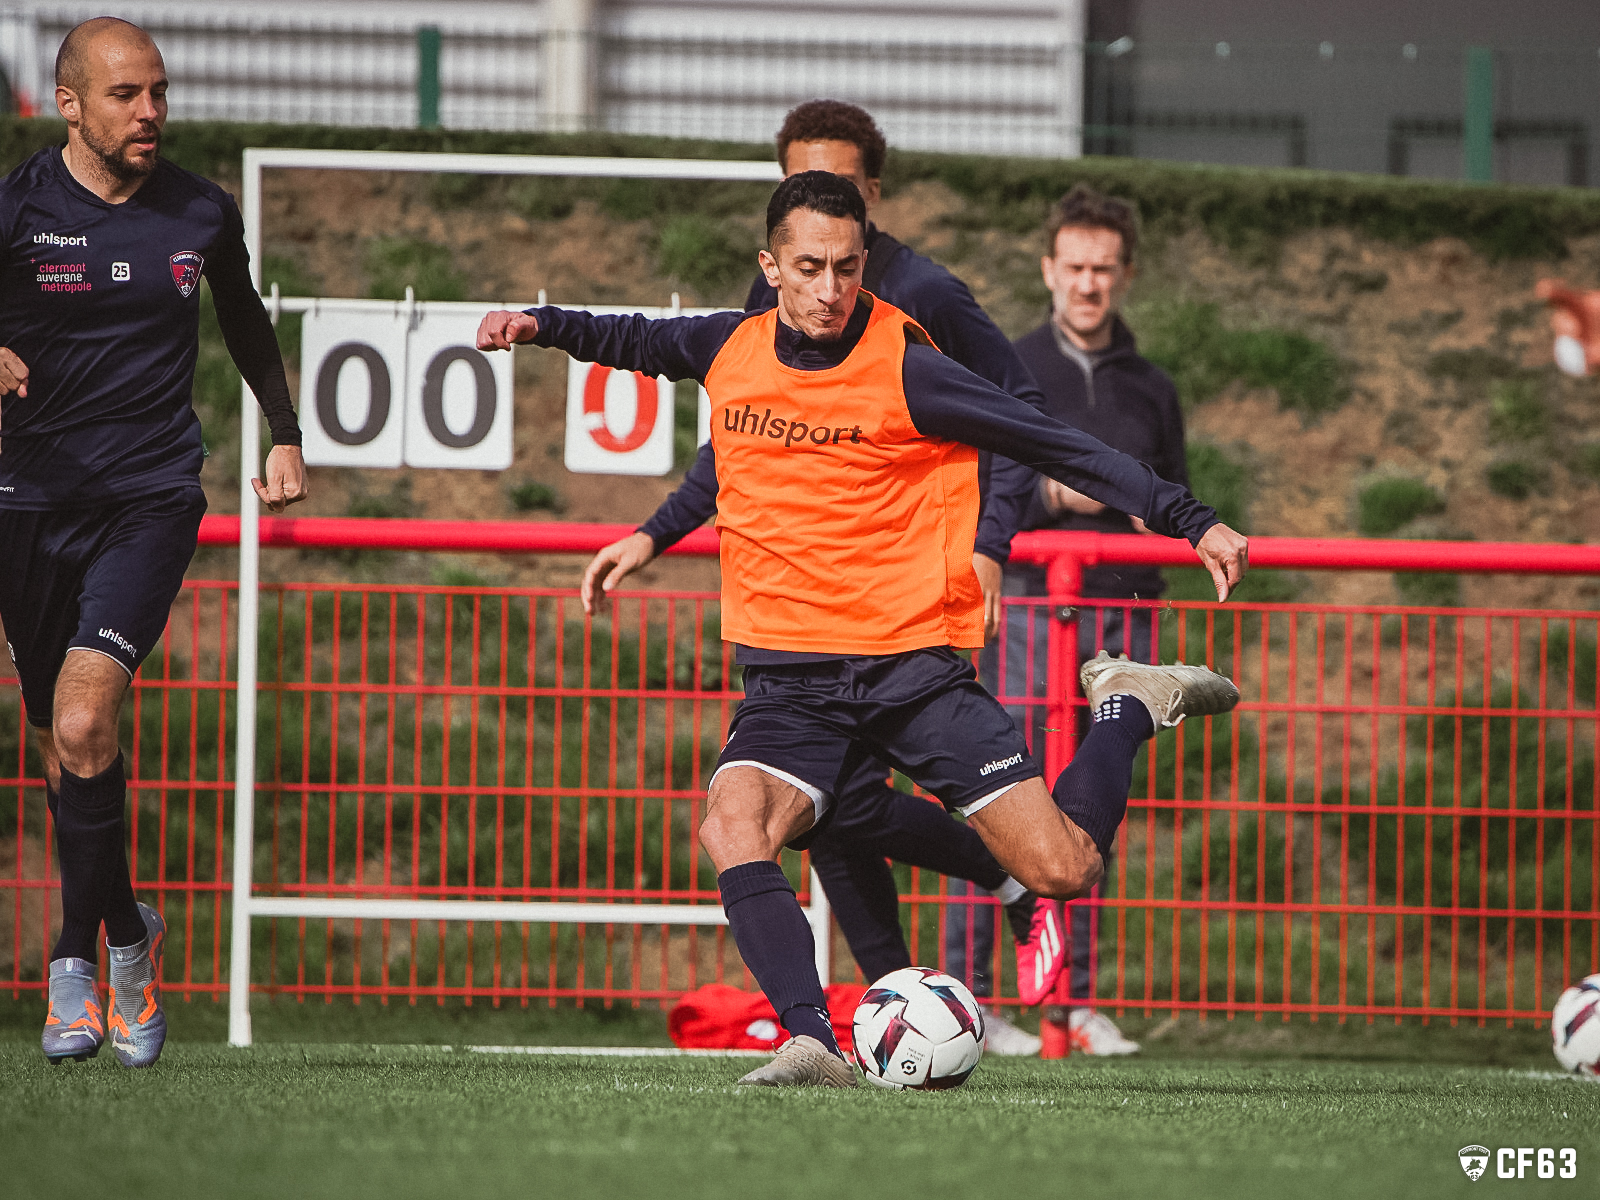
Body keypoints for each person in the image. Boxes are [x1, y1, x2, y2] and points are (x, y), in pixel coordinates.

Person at [477, 170, 1249, 1086]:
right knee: (734, 825)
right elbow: (634, 337)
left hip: (911, 671)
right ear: (771, 268)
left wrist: (1187, 517)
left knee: (1064, 870)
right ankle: (812, 1040)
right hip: (791, 683)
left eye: (847, 268)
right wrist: (540, 324)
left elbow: (1052, 443)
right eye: (809, 268)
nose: (831, 289)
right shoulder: (728, 346)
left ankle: (1126, 703)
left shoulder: (909, 366)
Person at [581, 101, 1066, 1055]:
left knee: (844, 812)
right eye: (801, 184)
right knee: (834, 818)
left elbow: (1020, 412)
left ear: (872, 195)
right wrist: (655, 532)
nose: (823, 213)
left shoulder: (926, 296)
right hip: (812, 613)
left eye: (842, 185)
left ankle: (965, 934)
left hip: (908, 594)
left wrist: (990, 543)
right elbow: (750, 445)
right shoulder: (780, 296)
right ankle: (906, 1008)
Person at [0, 18, 306, 1068]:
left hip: (151, 497)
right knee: (64, 745)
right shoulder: (17, 208)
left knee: (86, 718)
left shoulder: (200, 210)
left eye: (160, 92)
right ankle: (131, 931)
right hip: (27, 502)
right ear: (69, 105)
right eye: (126, 95)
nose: (151, 113)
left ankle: (74, 965)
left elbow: (245, 318)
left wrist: (283, 432)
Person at [945, 184, 1186, 1056]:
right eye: (1075, 266)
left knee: (1094, 807)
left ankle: (1073, 1004)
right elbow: (973, 491)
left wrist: (1154, 514)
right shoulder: (1008, 368)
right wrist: (1057, 493)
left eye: (1104, 269)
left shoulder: (1153, 388)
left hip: (1123, 615)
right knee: (1000, 797)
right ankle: (972, 1000)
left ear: (1126, 275)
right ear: (1049, 270)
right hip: (1026, 610)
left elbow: (1176, 498)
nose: (1089, 283)